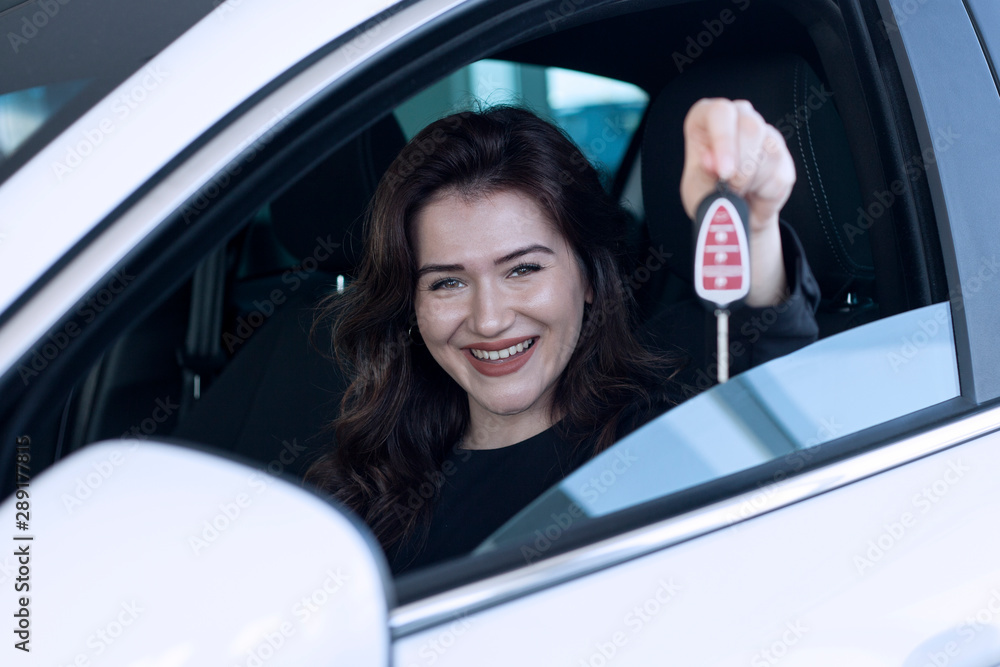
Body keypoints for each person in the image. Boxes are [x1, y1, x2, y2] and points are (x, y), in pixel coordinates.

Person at [304, 102, 819, 574]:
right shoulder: (367, 485)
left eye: (523, 269)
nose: (488, 320)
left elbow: (774, 379)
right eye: (448, 282)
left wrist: (752, 227)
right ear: (412, 305)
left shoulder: (661, 444)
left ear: (590, 278)